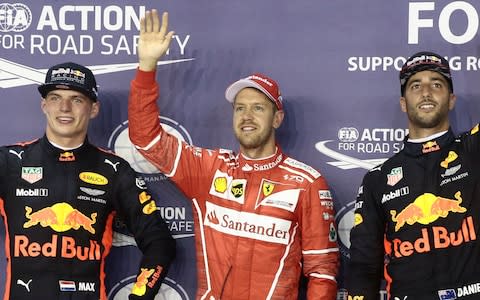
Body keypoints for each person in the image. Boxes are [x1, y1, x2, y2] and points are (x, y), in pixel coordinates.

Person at [128, 9, 339, 300]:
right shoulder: (208, 169)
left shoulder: (306, 183)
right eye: (240, 108)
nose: (247, 116)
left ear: (277, 118)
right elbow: (145, 138)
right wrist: (147, 67)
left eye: (258, 107)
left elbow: (322, 271)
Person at [0, 61, 176, 300]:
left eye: (77, 99)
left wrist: (140, 296)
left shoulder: (113, 170)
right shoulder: (10, 162)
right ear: (44, 105)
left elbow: (160, 242)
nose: (64, 107)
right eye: (55, 98)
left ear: (93, 109)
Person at [347, 51, 480, 299]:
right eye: (415, 85)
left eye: (436, 84)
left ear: (451, 100)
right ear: (403, 103)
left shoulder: (473, 150)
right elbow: (363, 267)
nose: (426, 92)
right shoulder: (378, 179)